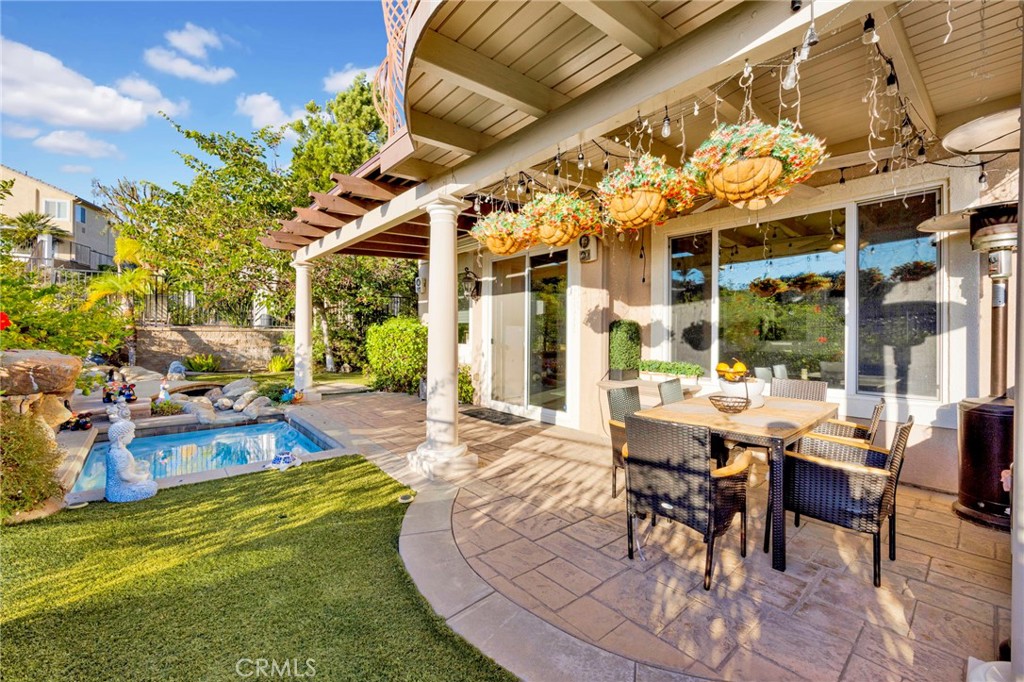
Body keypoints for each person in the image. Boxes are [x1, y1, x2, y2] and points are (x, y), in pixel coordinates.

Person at [104, 416, 158, 503]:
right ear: (121, 438)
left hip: (112, 491)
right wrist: (143, 477)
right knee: (152, 486)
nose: (134, 436)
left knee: (150, 483)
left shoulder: (113, 450)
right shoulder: (119, 454)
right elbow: (125, 476)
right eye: (131, 433)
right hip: (120, 492)